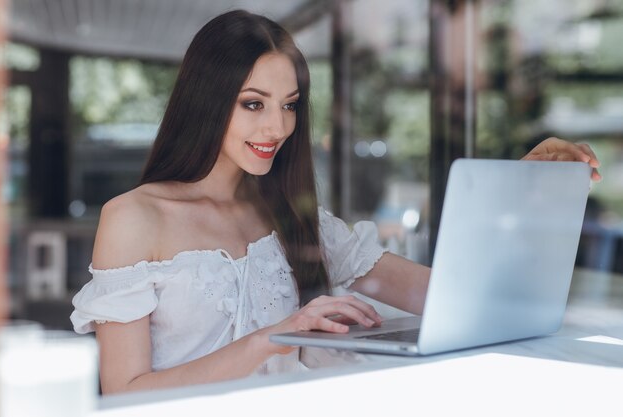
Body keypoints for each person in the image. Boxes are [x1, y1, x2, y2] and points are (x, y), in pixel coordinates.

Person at [70, 10, 601, 394]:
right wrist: (274, 339)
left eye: (289, 105)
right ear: (205, 102)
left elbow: (459, 300)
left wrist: (527, 191)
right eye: (253, 103)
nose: (276, 127)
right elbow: (126, 393)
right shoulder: (135, 218)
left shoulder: (300, 222)